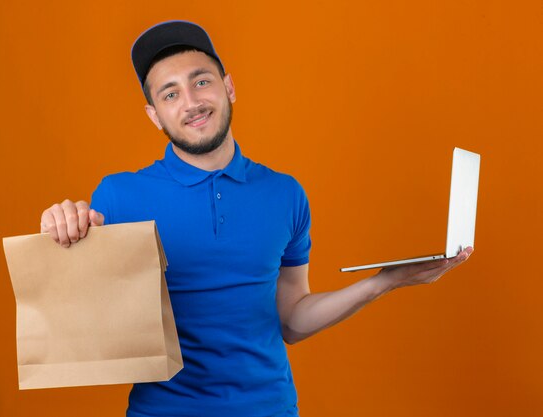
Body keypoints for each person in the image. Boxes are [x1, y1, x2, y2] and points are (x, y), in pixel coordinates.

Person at [39, 20, 473, 417]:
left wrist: (386, 280)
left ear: (229, 87)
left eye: (201, 81)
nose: (191, 103)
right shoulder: (117, 197)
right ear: (154, 115)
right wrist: (62, 233)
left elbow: (291, 320)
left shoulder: (286, 195)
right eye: (169, 94)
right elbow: (86, 322)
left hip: (269, 408)